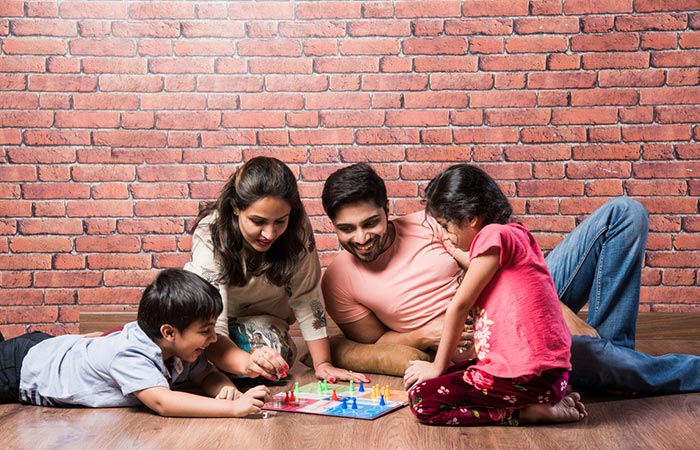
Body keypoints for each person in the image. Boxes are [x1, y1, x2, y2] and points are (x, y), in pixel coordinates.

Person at [321, 162, 700, 395]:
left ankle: (616, 360)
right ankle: (624, 366)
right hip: (492, 338)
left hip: (516, 293)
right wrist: (421, 338)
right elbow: (375, 343)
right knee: (592, 356)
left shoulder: (431, 222)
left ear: (387, 210)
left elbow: (512, 260)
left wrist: (555, 307)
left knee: (624, 213)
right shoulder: (338, 279)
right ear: (333, 227)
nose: (361, 237)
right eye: (346, 229)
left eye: (370, 222)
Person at [402, 164, 586, 425]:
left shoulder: (493, 235)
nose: (445, 235)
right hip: (549, 379)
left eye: (445, 226)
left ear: (471, 218)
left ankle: (529, 411)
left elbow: (459, 305)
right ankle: (540, 402)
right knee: (442, 379)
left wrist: (436, 366)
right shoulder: (515, 235)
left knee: (422, 399)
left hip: (531, 380)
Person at [185, 156, 368, 384]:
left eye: (280, 221)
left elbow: (307, 296)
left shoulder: (297, 228)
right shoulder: (210, 232)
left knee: (271, 355)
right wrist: (243, 360)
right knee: (188, 349)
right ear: (235, 208)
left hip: (266, 322)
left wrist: (323, 364)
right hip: (214, 322)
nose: (269, 234)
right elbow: (209, 317)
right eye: (258, 221)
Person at [0, 268, 271, 418]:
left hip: (50, 348)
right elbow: (163, 403)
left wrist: (227, 391)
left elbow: (208, 373)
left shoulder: (183, 349)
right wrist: (232, 408)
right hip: (22, 368)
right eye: (206, 331)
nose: (214, 339)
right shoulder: (130, 354)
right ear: (168, 332)